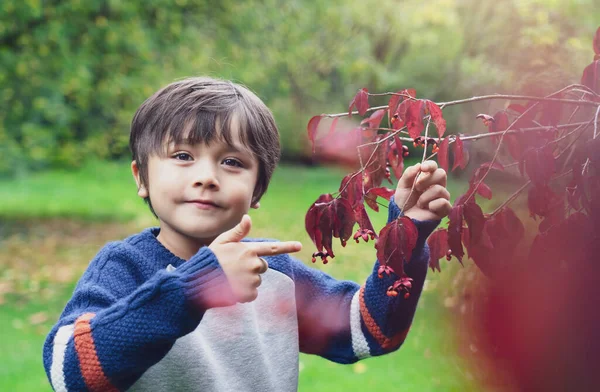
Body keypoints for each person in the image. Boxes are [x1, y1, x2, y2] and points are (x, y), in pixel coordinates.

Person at [43, 77, 452, 392]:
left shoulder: (273, 270)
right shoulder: (125, 267)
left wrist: (408, 233)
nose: (206, 177)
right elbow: (67, 371)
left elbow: (373, 330)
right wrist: (195, 287)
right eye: (183, 156)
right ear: (142, 177)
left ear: (258, 189)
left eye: (232, 162)